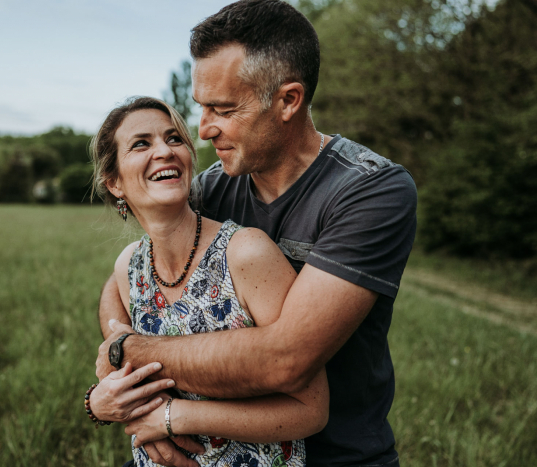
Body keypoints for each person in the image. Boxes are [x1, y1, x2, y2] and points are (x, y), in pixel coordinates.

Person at [96, 1, 417, 466]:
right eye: (202, 108)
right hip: (204, 448)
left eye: (223, 109)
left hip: (334, 453)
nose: (203, 130)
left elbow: (285, 359)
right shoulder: (213, 187)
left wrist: (130, 355)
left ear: (288, 100)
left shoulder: (369, 191)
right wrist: (131, 390)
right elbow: (126, 282)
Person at [84, 96, 329, 466]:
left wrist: (169, 418)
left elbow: (310, 410)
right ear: (114, 182)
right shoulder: (129, 265)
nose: (164, 151)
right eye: (141, 144)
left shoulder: (246, 253)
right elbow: (128, 365)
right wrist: (99, 402)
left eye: (174, 139)